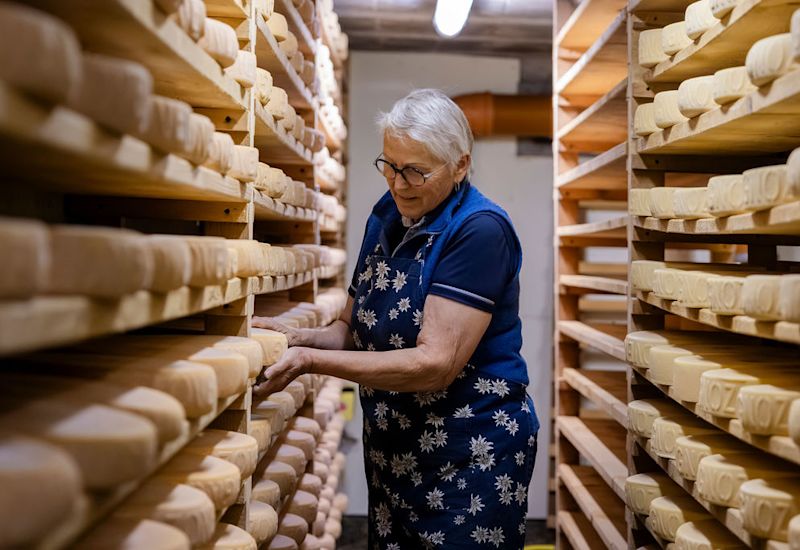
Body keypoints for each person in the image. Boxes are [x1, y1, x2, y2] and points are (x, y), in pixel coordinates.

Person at [253, 88, 539, 549]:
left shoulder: (479, 230)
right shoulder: (387, 215)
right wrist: (295, 337)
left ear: (461, 165)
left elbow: (435, 365)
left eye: (415, 171)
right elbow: (350, 330)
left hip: (469, 456)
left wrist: (309, 362)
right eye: (389, 165)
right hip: (397, 453)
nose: (398, 183)